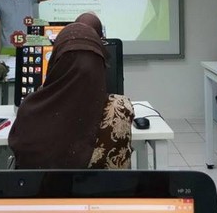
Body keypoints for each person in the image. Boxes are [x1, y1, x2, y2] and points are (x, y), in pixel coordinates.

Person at [8, 13, 134, 169]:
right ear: (100, 64)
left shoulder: (29, 108)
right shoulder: (120, 110)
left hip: (42, 185)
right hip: (98, 185)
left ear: (55, 60)